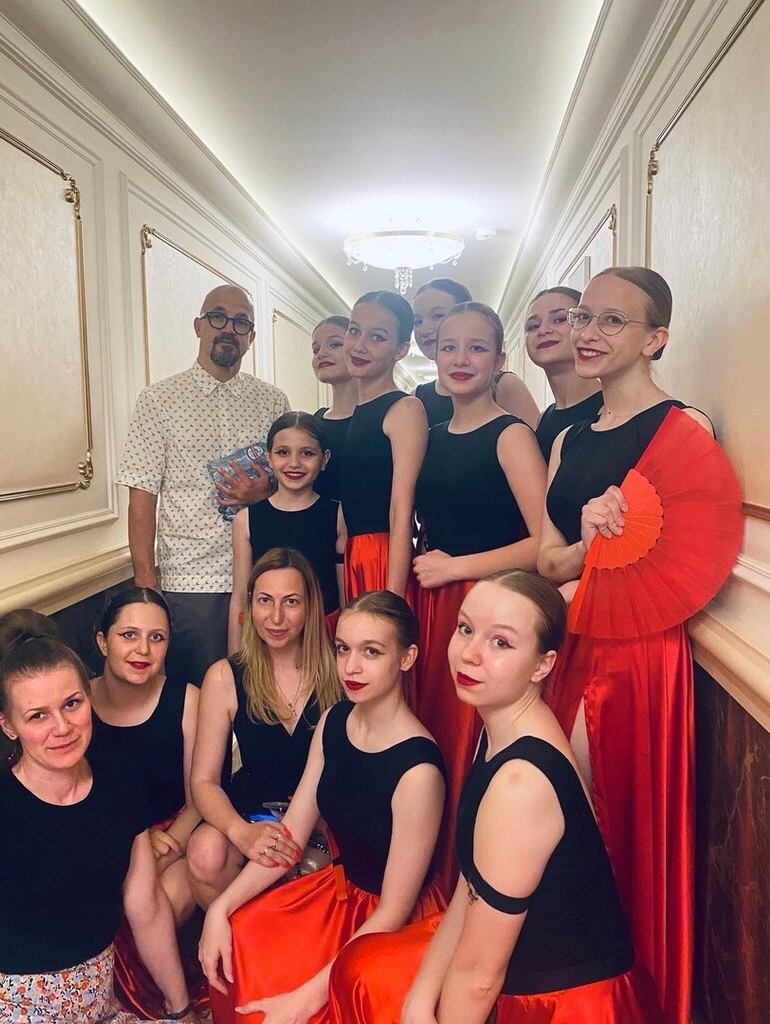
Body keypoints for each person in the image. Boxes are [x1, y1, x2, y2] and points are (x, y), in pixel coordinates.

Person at [327, 571, 663, 1024]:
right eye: (466, 629)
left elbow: (480, 978)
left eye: (500, 642)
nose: (470, 653)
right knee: (365, 971)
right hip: (515, 972)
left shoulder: (519, 783)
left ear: (542, 665)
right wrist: (420, 996)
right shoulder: (502, 727)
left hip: (562, 1004)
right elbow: (471, 885)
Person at [537, 266, 720, 1024]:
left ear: (654, 339)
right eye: (583, 315)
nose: (587, 332)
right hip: (568, 639)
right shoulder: (567, 438)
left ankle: (628, 998)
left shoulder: (684, 428)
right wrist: (588, 541)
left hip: (640, 653)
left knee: (620, 821)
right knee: (559, 812)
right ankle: (573, 990)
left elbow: (689, 560)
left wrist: (619, 543)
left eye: (612, 321)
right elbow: (547, 561)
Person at [198, 590, 446, 1024]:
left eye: (371, 652)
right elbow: (291, 835)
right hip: (341, 896)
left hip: (393, 923)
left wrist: (306, 998)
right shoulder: (334, 720)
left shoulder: (419, 771)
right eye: (343, 649)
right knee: (244, 932)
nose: (351, 667)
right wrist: (221, 907)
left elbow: (394, 911)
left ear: (406, 658)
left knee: (305, 1009)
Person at [0, 611, 193, 1024]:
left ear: (89, 698)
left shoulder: (121, 779)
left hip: (99, 1004)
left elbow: (147, 906)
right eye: (38, 715)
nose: (62, 727)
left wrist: (180, 1009)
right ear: (9, 726)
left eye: (72, 704)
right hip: (7, 1008)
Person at [412, 302, 547, 895]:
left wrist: (457, 568)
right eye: (449, 347)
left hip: (490, 611)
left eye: (476, 347)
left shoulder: (511, 435)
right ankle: (432, 875)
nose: (461, 359)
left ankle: (473, 885)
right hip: (435, 607)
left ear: (498, 359)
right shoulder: (431, 438)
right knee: (438, 737)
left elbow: (544, 543)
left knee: (473, 738)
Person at [118, 284, 289, 690]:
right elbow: (142, 497)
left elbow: (294, 483)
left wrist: (264, 493)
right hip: (190, 582)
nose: (229, 328)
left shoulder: (272, 403)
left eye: (241, 322)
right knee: (197, 696)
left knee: (262, 692)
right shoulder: (159, 401)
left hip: (263, 574)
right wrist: (147, 585)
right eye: (218, 317)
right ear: (199, 326)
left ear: (251, 336)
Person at [187, 548, 341, 910]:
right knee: (205, 852)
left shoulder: (340, 670)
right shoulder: (224, 676)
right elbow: (203, 781)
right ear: (250, 604)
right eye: (265, 600)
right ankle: (243, 937)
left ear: (310, 606)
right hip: (253, 815)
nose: (276, 617)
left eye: (291, 602)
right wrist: (241, 833)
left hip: (324, 819)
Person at [89, 586, 202, 1018]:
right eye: (129, 635)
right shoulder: (77, 702)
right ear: (103, 642)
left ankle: (172, 1001)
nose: (143, 650)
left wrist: (165, 846)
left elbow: (200, 795)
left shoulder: (187, 699)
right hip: (110, 839)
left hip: (177, 836)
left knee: (157, 906)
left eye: (157, 638)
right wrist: (134, 844)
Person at [229, 413, 346, 651]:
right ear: (269, 457)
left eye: (307, 453)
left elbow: (345, 597)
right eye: (283, 452)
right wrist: (235, 660)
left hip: (322, 642)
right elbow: (241, 598)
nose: (294, 463)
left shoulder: (338, 515)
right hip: (268, 639)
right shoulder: (246, 520)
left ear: (324, 459)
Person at [340, 290, 427, 599]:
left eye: (377, 337)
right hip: (355, 553)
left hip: (383, 555)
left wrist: (394, 597)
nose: (359, 345)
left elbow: (401, 510)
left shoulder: (405, 409)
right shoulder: (358, 410)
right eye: (354, 331)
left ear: (400, 349)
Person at [413, 279, 541, 427]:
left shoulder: (505, 385)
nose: (424, 330)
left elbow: (534, 438)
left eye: (437, 316)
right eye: (417, 321)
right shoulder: (416, 396)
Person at [524, 287, 603, 461]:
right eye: (533, 326)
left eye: (559, 319)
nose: (543, 330)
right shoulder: (543, 419)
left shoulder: (612, 408)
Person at [311, 316, 356, 502]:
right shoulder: (315, 421)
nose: (321, 354)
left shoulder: (384, 416)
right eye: (316, 349)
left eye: (335, 344)